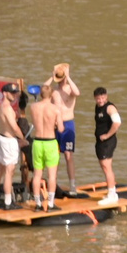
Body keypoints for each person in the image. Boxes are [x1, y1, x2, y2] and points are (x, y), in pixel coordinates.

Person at [23, 83, 61, 210]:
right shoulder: (55, 109)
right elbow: (61, 128)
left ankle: (38, 204)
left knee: (37, 175)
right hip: (50, 142)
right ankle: (50, 204)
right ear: (52, 95)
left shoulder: (33, 107)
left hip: (38, 142)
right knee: (52, 175)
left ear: (40, 94)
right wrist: (55, 124)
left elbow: (35, 122)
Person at [45, 63, 81, 197]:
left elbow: (77, 93)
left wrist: (68, 77)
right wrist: (52, 76)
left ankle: (72, 185)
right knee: (54, 156)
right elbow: (42, 89)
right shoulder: (53, 91)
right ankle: (53, 184)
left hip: (68, 124)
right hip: (54, 125)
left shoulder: (70, 89)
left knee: (68, 155)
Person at [90, 85, 121, 202]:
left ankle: (112, 194)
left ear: (106, 96)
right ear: (95, 98)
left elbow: (117, 123)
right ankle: (111, 192)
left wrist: (107, 135)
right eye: (98, 98)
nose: (100, 100)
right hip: (100, 142)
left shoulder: (110, 108)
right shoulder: (97, 107)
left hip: (107, 142)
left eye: (103, 98)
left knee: (107, 167)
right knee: (105, 167)